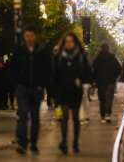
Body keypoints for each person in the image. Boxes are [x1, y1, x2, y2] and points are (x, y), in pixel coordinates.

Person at [10, 25, 51, 154]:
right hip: (22, 88)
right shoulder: (19, 50)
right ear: (24, 36)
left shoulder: (42, 50)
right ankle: (22, 143)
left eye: (31, 36)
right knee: (22, 115)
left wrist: (43, 84)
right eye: (27, 36)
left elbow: (47, 68)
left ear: (35, 36)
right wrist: (16, 83)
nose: (29, 39)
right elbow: (13, 68)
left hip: (37, 88)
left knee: (35, 117)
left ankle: (33, 143)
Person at [53, 32, 93, 155]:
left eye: (71, 41)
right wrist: (53, 91)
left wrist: (82, 81)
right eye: (67, 41)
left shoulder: (81, 56)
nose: (69, 43)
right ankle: (64, 142)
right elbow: (54, 74)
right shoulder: (59, 56)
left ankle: (75, 142)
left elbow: (88, 72)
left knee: (75, 117)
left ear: (75, 42)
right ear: (64, 43)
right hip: (62, 90)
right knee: (64, 118)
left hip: (75, 90)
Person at [93, 44, 121, 123]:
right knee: (109, 99)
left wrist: (95, 80)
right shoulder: (113, 57)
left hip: (100, 81)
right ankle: (108, 114)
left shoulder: (98, 58)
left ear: (101, 48)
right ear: (108, 48)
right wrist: (114, 77)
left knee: (102, 99)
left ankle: (102, 116)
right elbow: (119, 68)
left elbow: (94, 70)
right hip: (110, 82)